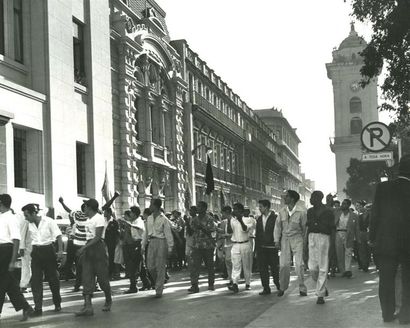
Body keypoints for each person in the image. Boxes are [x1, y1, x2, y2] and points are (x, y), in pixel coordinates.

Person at [369, 154, 410, 324]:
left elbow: (375, 215)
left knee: (385, 280)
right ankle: (405, 316)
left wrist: (373, 238)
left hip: (385, 243)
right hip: (407, 243)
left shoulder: (383, 188)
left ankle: (387, 314)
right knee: (407, 281)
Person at [22, 203, 63, 316]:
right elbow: (23, 236)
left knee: (53, 279)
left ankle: (57, 303)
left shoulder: (49, 221)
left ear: (34, 213)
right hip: (36, 252)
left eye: (27, 215)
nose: (26, 217)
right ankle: (38, 308)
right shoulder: (28, 223)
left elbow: (58, 236)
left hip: (48, 250)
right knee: (36, 281)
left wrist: (60, 251)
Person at [75, 198, 112, 316]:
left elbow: (97, 237)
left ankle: (108, 299)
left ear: (90, 207)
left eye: (85, 206)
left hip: (98, 249)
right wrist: (83, 248)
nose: (83, 208)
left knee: (102, 279)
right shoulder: (87, 220)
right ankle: (87, 306)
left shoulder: (99, 218)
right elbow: (87, 237)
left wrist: (83, 248)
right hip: (88, 249)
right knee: (86, 277)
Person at [0, 194, 33, 321]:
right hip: (1, 250)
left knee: (2, 283)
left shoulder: (11, 218)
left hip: (6, 250)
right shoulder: (1, 217)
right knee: (9, 284)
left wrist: (13, 260)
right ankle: (26, 307)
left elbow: (16, 240)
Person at [274, 190, 307, 297]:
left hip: (297, 238)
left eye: (287, 196)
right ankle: (282, 287)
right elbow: (277, 227)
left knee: (299, 264)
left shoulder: (301, 212)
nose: (284, 198)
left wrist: (304, 242)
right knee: (283, 265)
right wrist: (276, 240)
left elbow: (304, 228)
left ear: (292, 198)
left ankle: (302, 288)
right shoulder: (282, 211)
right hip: (285, 239)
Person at [306, 190, 335, 305]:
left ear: (319, 198)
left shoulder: (328, 211)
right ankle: (322, 286)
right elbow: (309, 226)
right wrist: (306, 243)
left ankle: (320, 294)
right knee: (313, 268)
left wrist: (332, 243)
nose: (310, 199)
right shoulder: (310, 211)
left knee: (323, 266)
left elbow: (332, 228)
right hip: (312, 237)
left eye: (312, 197)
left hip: (324, 238)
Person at [141, 199, 174, 298]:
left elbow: (168, 234)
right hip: (151, 242)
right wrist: (143, 245)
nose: (150, 206)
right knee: (150, 266)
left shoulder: (163, 219)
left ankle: (159, 289)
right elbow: (146, 233)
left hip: (161, 242)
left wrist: (170, 247)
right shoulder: (149, 218)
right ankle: (159, 282)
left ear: (156, 206)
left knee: (160, 266)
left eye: (151, 204)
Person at [58, 197, 88, 292]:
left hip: (82, 245)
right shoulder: (91, 216)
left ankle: (79, 285)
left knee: (81, 267)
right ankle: (82, 285)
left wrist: (62, 203)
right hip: (85, 245)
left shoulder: (78, 216)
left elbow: (69, 210)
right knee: (85, 267)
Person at [187, 201, 216, 293]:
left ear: (204, 208)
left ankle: (211, 284)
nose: (197, 209)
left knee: (210, 266)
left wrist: (201, 227)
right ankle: (194, 285)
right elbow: (191, 232)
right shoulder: (194, 219)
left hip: (207, 246)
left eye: (199, 207)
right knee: (194, 266)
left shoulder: (210, 218)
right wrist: (188, 223)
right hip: (197, 245)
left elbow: (211, 232)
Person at [255, 199, 280, 295]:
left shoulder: (275, 218)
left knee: (274, 267)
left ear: (266, 207)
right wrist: (256, 249)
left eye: (261, 207)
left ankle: (278, 284)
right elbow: (257, 234)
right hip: (261, 248)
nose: (259, 209)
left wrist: (277, 243)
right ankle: (266, 287)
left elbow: (278, 232)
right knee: (262, 269)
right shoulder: (259, 219)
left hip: (272, 247)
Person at [229, 203, 254, 293]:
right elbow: (229, 230)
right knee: (235, 265)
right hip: (235, 244)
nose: (234, 210)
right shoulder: (233, 220)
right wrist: (230, 219)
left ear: (240, 210)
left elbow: (245, 229)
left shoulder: (249, 219)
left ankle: (248, 283)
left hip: (245, 244)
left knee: (246, 265)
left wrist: (240, 220)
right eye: (233, 209)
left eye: (235, 209)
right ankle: (235, 283)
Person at [119, 208, 145, 294]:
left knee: (134, 266)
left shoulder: (139, 221)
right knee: (131, 266)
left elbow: (138, 228)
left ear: (134, 214)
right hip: (129, 246)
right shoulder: (131, 222)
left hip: (136, 244)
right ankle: (144, 283)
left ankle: (134, 286)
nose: (130, 215)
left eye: (131, 213)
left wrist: (127, 223)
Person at [334, 199, 358, 278]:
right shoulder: (337, 213)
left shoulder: (354, 215)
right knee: (339, 253)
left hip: (349, 234)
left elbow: (357, 228)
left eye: (344, 204)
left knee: (348, 252)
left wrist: (358, 238)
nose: (342, 205)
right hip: (338, 233)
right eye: (342, 204)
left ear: (348, 205)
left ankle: (348, 270)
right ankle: (342, 270)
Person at [219, 206, 233, 288]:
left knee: (233, 262)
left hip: (234, 244)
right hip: (227, 244)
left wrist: (225, 235)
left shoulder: (234, 221)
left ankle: (234, 281)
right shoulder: (224, 222)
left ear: (227, 212)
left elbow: (235, 233)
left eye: (223, 212)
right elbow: (222, 231)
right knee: (227, 262)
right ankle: (230, 279)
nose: (222, 214)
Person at [355, 200, 370, 272]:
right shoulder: (359, 216)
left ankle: (367, 263)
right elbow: (357, 226)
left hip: (368, 234)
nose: (364, 209)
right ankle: (364, 265)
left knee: (368, 250)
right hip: (361, 233)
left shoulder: (370, 216)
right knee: (362, 250)